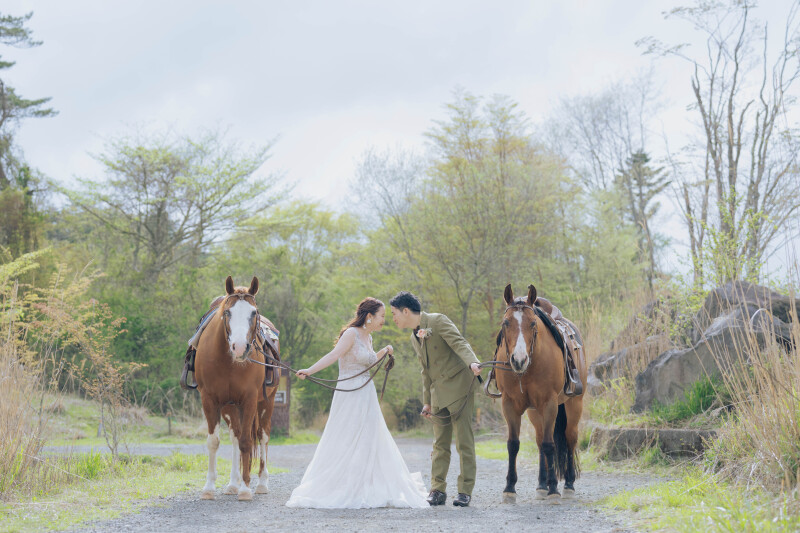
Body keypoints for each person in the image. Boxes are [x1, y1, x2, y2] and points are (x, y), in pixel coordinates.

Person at [285, 297, 429, 509]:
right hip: (349, 393)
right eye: (381, 317)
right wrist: (309, 370)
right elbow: (334, 355)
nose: (384, 321)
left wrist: (385, 351)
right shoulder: (351, 334)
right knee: (346, 436)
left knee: (369, 438)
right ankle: (343, 484)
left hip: (366, 394)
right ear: (369, 317)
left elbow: (368, 362)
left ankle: (366, 482)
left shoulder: (368, 337)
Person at [389, 291, 481, 508]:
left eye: (394, 314)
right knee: (439, 444)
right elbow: (425, 371)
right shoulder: (414, 337)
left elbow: (460, 343)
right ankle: (437, 490)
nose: (393, 318)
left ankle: (465, 492)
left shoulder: (437, 321)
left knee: (464, 443)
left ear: (406, 310)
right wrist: (427, 402)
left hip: (460, 388)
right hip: (438, 395)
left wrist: (473, 363)